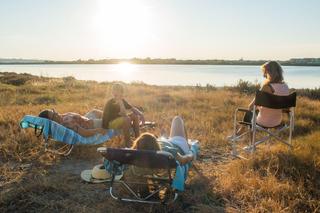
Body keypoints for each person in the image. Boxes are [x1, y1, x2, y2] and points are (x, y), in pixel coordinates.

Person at [231, 61, 290, 138]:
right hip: (277, 121)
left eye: (265, 72)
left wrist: (258, 107)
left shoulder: (266, 87)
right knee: (253, 112)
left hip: (263, 121)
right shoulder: (285, 86)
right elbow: (285, 108)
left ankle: (241, 137)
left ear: (270, 73)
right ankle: (239, 134)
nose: (264, 75)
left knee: (250, 112)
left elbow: (251, 106)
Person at [38, 109, 107, 137]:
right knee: (109, 120)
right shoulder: (67, 124)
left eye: (53, 111)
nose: (56, 112)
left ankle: (111, 114)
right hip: (90, 125)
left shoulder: (61, 118)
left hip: (86, 119)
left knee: (94, 111)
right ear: (52, 122)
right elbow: (84, 133)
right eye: (53, 114)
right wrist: (98, 130)